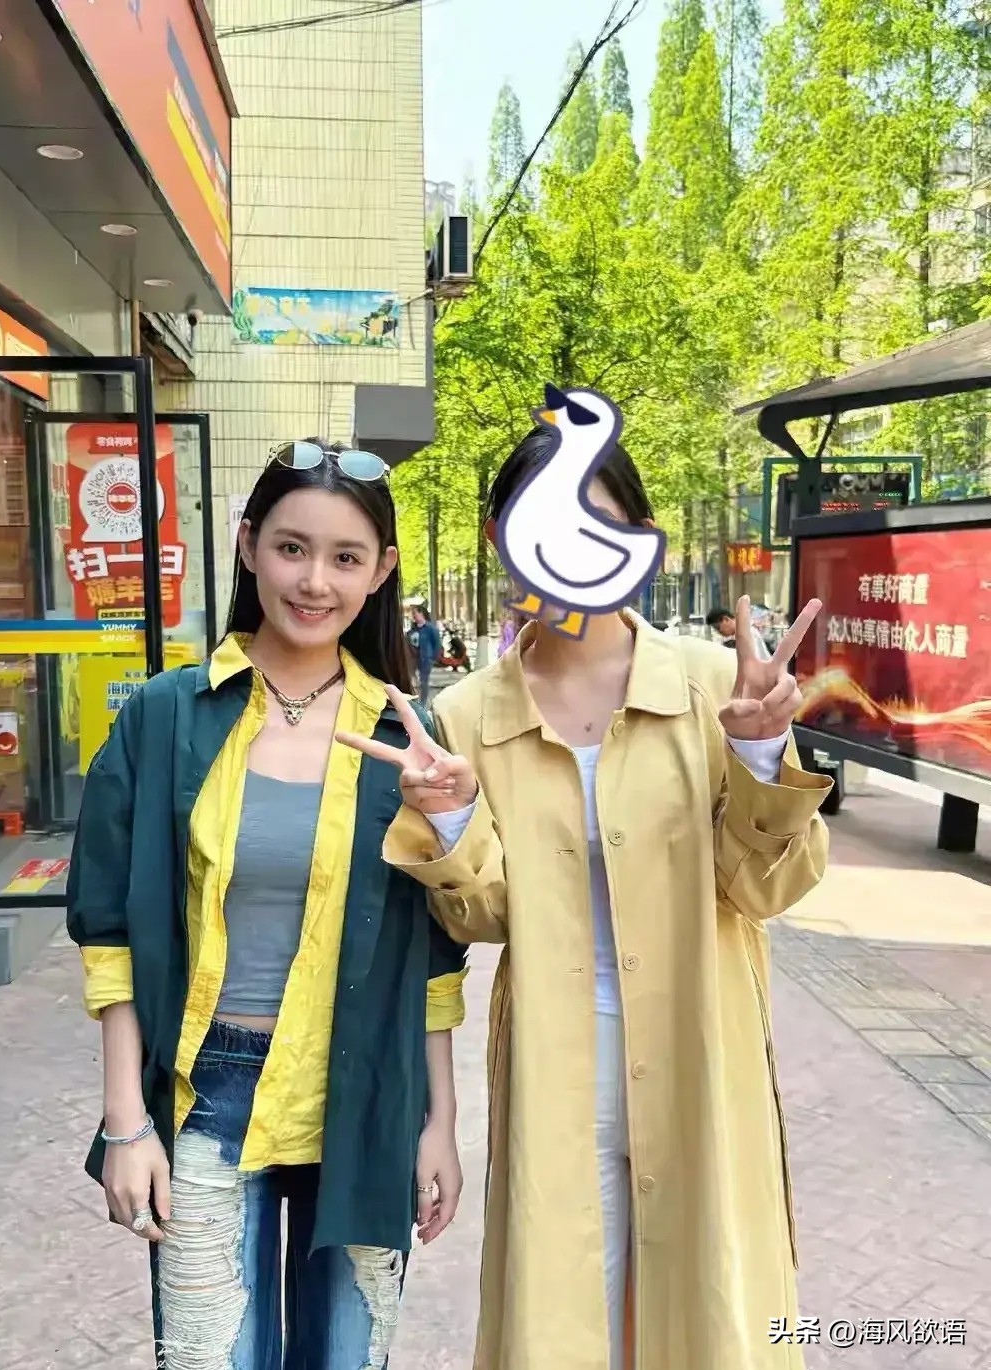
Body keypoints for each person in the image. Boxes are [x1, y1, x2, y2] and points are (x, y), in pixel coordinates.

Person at [369, 424, 832, 1370]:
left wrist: (756, 756)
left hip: (702, 1051)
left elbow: (767, 888)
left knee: (710, 1315)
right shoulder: (465, 716)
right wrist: (451, 824)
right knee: (562, 1323)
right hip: (556, 1065)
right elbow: (483, 917)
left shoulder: (717, 686)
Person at [66, 438, 468, 1370]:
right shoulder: (166, 716)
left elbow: (432, 955)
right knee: (213, 1357)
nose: (315, 581)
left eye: (345, 557)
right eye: (292, 548)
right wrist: (127, 1122)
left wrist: (439, 1124)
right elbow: (110, 932)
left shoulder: (405, 736)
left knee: (345, 1357)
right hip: (207, 1089)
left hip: (364, 1091)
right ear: (248, 546)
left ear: (381, 571)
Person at [410, 602, 441, 705]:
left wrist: (434, 657)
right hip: (414, 658)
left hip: (426, 658)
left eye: (415, 613)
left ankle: (422, 703)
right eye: (413, 613)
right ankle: (413, 700)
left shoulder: (431, 629)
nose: (413, 616)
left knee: (424, 681)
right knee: (412, 679)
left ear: (421, 613)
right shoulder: (413, 629)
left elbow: (436, 643)